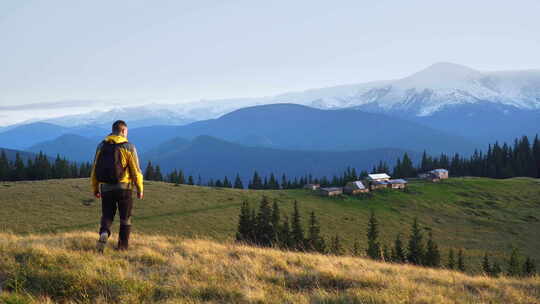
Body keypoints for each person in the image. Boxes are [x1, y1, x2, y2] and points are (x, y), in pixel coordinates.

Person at [90, 120, 143, 252]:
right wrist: (139, 188)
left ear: (112, 130)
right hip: (124, 188)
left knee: (107, 215)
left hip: (106, 188)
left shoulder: (101, 145)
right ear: (124, 131)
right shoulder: (128, 146)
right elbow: (136, 170)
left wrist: (95, 188)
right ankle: (122, 247)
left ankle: (104, 232)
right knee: (125, 218)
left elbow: (95, 169)